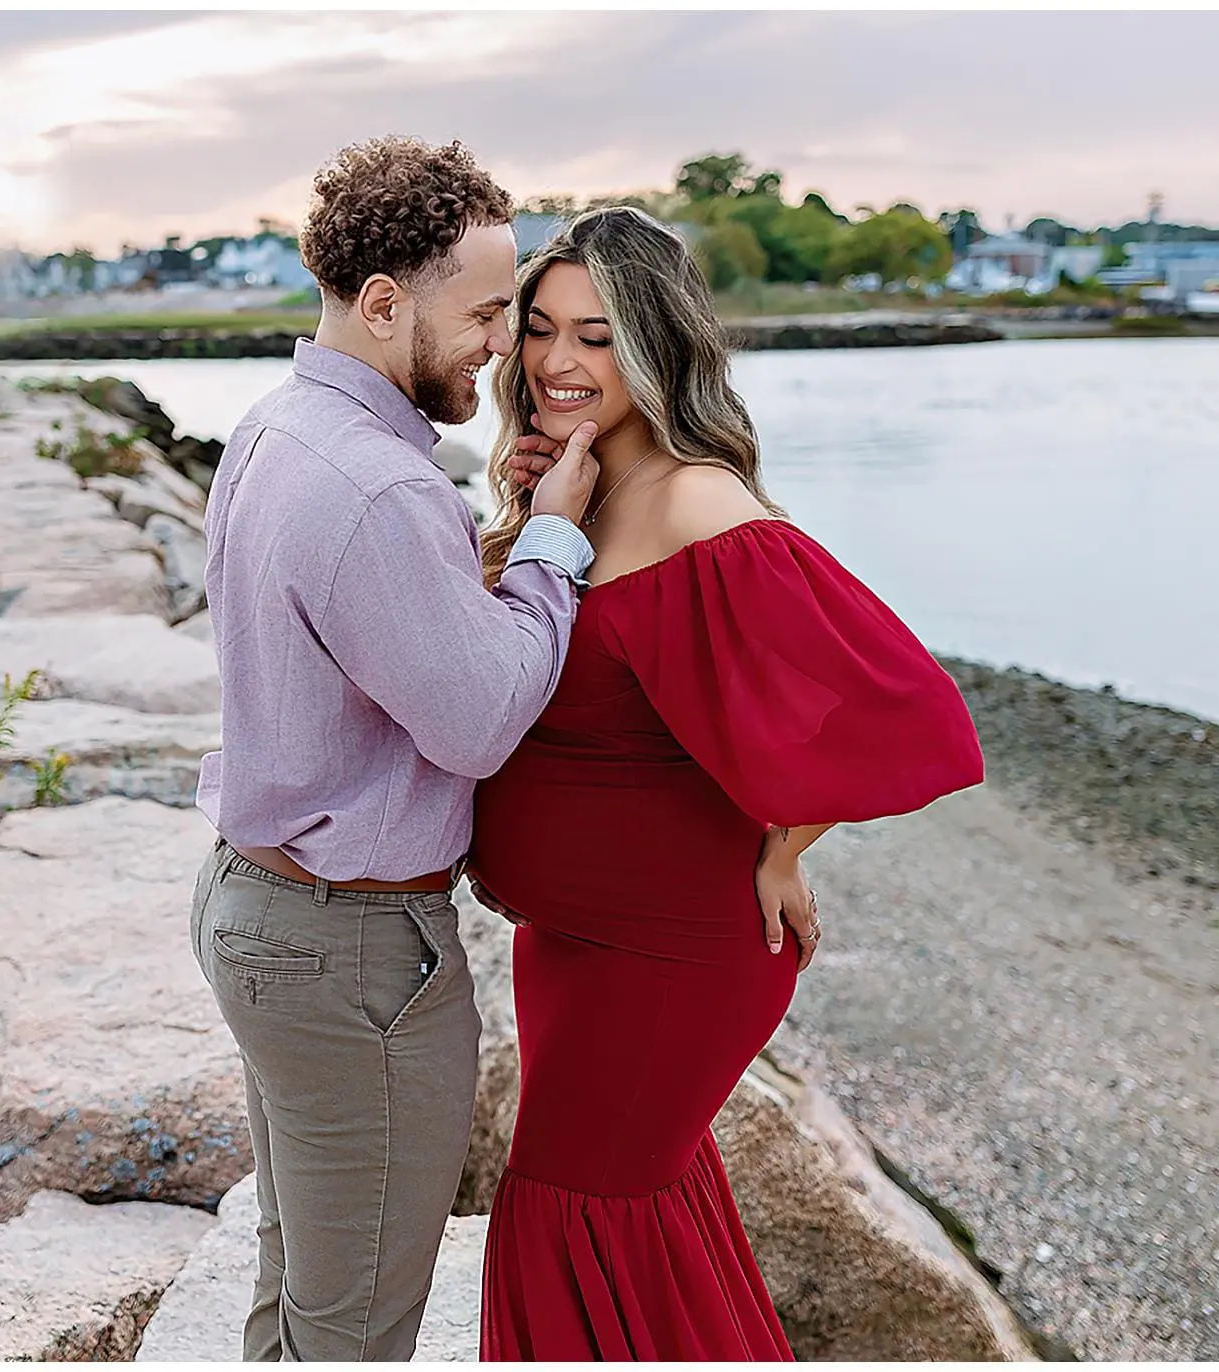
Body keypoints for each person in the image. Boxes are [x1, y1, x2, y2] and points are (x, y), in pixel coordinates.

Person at [468, 206, 986, 1360]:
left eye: (597, 337)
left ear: (655, 344)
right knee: (623, 1213)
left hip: (672, 951)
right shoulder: (576, 486)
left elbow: (889, 704)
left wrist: (781, 846)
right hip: (570, 939)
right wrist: (516, 529)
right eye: (539, 329)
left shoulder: (698, 499)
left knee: (569, 1210)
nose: (556, 362)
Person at [187, 137, 604, 1361]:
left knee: (304, 1288)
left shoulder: (276, 428)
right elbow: (477, 721)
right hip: (349, 955)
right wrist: (552, 547)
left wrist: (495, 526)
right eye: (485, 312)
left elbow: (367, 633)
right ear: (383, 304)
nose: (503, 344)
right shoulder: (378, 487)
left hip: (261, 902)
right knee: (356, 1324)